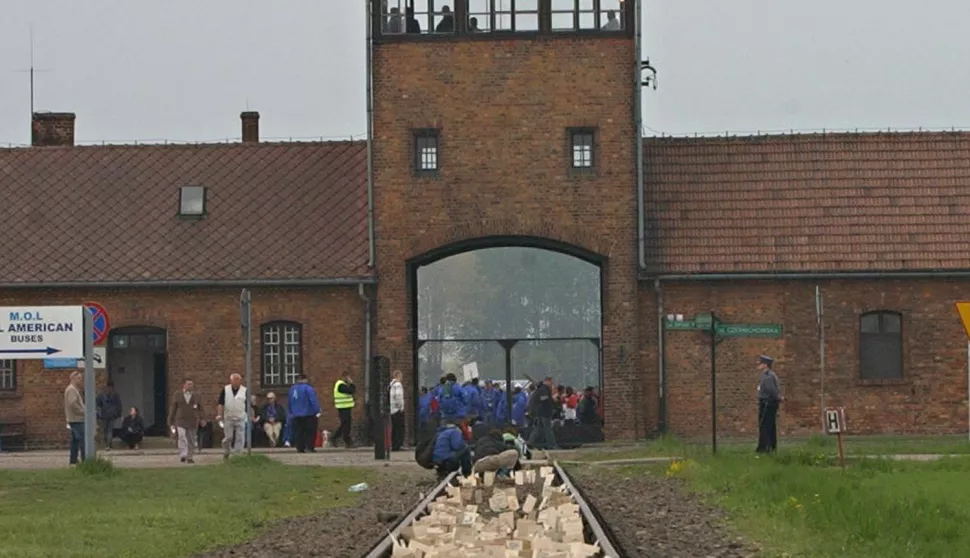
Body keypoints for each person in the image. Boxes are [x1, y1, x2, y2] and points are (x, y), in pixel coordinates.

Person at [168, 378, 205, 464]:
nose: (190, 386)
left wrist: (202, 418)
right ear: (184, 385)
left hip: (193, 420)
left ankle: (190, 456)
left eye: (191, 384)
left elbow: (201, 408)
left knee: (191, 439)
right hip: (180, 420)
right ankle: (183, 454)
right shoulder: (177, 394)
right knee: (182, 436)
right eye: (188, 384)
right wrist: (170, 420)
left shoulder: (197, 395)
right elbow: (173, 408)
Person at [216, 373, 251, 460]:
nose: (236, 382)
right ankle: (226, 451)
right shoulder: (225, 390)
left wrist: (250, 415)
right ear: (230, 381)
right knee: (229, 437)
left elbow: (248, 405)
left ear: (240, 381)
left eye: (237, 380)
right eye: (234, 380)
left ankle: (237, 455)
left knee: (240, 437)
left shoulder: (245, 390)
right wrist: (219, 415)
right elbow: (220, 403)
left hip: (240, 417)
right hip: (228, 417)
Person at [756, 355, 784, 453]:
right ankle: (770, 447)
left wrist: (778, 398)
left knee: (765, 426)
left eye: (760, 363)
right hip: (767, 403)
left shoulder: (768, 376)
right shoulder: (767, 375)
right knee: (769, 426)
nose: (759, 365)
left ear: (765, 365)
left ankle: (764, 448)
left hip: (767, 404)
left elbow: (771, 390)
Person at [287, 375, 321, 453]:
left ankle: (300, 448)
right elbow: (313, 400)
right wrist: (317, 410)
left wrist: (290, 412)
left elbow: (289, 402)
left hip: (295, 414)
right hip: (308, 414)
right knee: (310, 432)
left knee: (298, 432)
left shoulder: (292, 389)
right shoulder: (308, 388)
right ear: (304, 379)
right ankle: (309, 447)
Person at [527, 376, 557, 450]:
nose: (552, 384)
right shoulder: (544, 389)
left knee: (539, 428)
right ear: (547, 381)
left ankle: (530, 442)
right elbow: (543, 398)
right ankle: (552, 445)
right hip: (545, 412)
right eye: (551, 382)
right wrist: (552, 399)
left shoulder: (541, 389)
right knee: (548, 429)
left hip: (540, 412)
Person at [64, 371, 86, 465]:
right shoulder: (72, 390)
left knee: (75, 441)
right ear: (73, 378)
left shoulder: (73, 389)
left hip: (74, 419)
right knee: (82, 440)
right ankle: (85, 460)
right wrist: (83, 412)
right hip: (77, 419)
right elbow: (72, 404)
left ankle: (73, 460)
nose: (81, 380)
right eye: (79, 378)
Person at [96, 380, 122, 450]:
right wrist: (118, 414)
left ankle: (106, 444)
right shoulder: (115, 394)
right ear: (113, 386)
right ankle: (108, 445)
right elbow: (119, 405)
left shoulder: (102, 394)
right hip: (113, 415)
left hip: (104, 414)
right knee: (110, 430)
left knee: (105, 430)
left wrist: (98, 414)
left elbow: (97, 404)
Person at [332, 373, 357, 448]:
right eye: (348, 377)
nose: (349, 378)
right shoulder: (341, 385)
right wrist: (352, 383)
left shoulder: (341, 384)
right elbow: (351, 391)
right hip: (343, 407)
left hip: (345, 407)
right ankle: (343, 439)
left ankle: (339, 438)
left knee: (345, 424)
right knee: (346, 424)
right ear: (344, 377)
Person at [389, 370, 406, 451]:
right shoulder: (398, 385)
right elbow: (398, 396)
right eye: (401, 376)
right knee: (399, 428)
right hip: (397, 410)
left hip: (392, 409)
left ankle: (394, 445)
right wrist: (400, 407)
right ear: (398, 376)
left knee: (394, 428)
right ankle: (397, 445)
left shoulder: (391, 384)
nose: (402, 378)